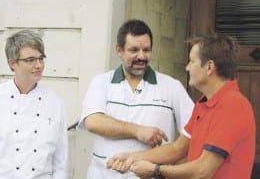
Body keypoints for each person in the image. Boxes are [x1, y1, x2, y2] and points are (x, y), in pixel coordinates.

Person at [107, 32, 256, 179]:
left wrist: (155, 171)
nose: (187, 68)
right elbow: (177, 149)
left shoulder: (233, 106)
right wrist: (132, 157)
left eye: (192, 61)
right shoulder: (203, 104)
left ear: (209, 67)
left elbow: (203, 171)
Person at [78, 19, 194, 178]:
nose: (141, 56)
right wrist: (138, 131)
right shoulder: (101, 82)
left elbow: (195, 133)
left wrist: (174, 171)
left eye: (146, 50)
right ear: (119, 50)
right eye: (134, 50)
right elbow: (93, 121)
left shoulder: (171, 86)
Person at [0, 30, 70, 179]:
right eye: (31, 60)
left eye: (41, 58)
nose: (39, 65)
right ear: (13, 64)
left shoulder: (55, 103)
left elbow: (61, 159)